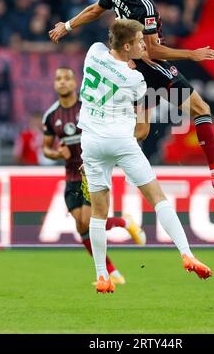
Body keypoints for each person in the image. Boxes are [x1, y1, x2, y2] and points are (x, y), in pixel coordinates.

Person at [49, 0, 214, 192]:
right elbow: (153, 50)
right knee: (201, 109)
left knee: (141, 130)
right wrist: (192, 55)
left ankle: (93, 165)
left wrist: (66, 26)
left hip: (130, 68)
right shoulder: (144, 6)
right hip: (151, 67)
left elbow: (94, 10)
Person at [78, 19, 213, 294]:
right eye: (140, 41)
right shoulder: (135, 79)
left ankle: (102, 276)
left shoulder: (93, 52)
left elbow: (113, 41)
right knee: (158, 199)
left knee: (99, 213)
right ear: (127, 46)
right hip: (120, 141)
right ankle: (186, 254)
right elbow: (142, 127)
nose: (145, 44)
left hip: (90, 143)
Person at [42, 66, 146, 285]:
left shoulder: (89, 107)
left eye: (67, 78)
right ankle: (113, 273)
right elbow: (46, 148)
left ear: (74, 83)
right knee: (81, 225)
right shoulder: (51, 116)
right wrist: (56, 153)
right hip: (70, 177)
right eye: (58, 78)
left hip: (94, 172)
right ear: (54, 84)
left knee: (89, 221)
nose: (62, 82)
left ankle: (123, 225)